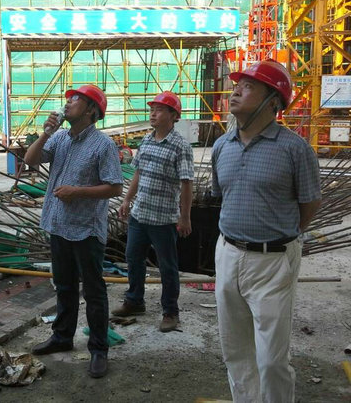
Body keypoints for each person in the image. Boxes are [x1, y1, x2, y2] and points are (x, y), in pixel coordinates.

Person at [211, 60, 321, 402]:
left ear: (273, 101)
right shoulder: (222, 146)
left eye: (248, 87)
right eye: (237, 85)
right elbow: (222, 196)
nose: (235, 92)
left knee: (272, 359)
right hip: (228, 254)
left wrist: (284, 236)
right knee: (236, 351)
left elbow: (309, 204)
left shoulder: (295, 149)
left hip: (273, 260)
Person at [23, 84, 123, 379]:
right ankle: (62, 337)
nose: (68, 103)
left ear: (91, 110)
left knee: (93, 291)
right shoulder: (60, 138)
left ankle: (99, 349)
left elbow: (115, 187)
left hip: (85, 229)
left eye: (76, 99)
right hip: (58, 225)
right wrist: (45, 133)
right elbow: (30, 160)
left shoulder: (103, 145)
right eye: (69, 99)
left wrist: (77, 191)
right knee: (64, 285)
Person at [112, 91, 194, 333]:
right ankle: (134, 301)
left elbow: (186, 183)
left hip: (163, 219)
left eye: (159, 110)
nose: (153, 114)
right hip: (140, 215)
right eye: (152, 110)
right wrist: (127, 200)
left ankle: (170, 311)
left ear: (174, 116)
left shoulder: (180, 146)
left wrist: (185, 217)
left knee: (167, 267)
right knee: (133, 259)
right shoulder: (146, 141)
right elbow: (138, 172)